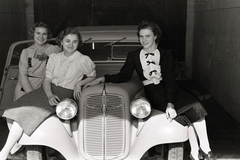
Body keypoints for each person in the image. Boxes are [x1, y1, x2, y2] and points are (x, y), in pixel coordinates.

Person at [85, 21, 216, 160]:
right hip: (154, 94)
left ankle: (201, 149)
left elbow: (170, 80)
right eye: (141, 36)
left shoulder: (166, 53)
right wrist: (103, 79)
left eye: (147, 36)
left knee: (194, 107)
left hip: (170, 90)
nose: (144, 40)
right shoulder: (134, 55)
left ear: (155, 37)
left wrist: (170, 104)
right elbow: (123, 75)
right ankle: (201, 151)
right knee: (188, 112)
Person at [0, 27, 96, 160]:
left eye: (74, 42)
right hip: (47, 91)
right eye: (67, 41)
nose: (70, 45)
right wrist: (49, 95)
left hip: (64, 94)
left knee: (25, 114)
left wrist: (79, 84)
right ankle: (14, 145)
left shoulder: (83, 59)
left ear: (78, 43)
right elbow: (47, 80)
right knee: (12, 111)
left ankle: (4, 152)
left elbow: (92, 75)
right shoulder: (54, 57)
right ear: (61, 42)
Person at [14, 22, 61, 100]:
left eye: (44, 34)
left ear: (48, 35)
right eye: (38, 33)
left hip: (45, 86)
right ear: (33, 34)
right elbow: (23, 75)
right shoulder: (26, 52)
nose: (41, 37)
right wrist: (31, 94)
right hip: (25, 87)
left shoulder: (53, 49)